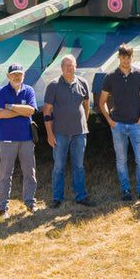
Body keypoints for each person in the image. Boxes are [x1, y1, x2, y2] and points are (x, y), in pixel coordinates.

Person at [97, 43, 140, 203]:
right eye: (123, 57)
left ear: (132, 58)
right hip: (118, 126)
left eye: (128, 57)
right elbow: (102, 102)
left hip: (136, 125)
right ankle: (125, 190)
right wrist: (110, 121)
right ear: (119, 57)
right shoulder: (110, 77)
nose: (126, 60)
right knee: (121, 160)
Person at [42, 53, 92, 206]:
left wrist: (83, 122)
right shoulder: (54, 85)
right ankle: (57, 198)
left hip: (79, 133)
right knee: (59, 167)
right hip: (60, 133)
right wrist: (50, 134)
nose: (70, 69)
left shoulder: (83, 82)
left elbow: (86, 104)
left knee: (79, 166)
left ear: (76, 66)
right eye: (67, 66)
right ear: (61, 68)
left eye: (72, 66)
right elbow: (47, 111)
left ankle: (81, 196)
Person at [0, 63, 38, 215]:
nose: (17, 77)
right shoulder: (0, 92)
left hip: (26, 139)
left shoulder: (29, 90)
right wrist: (21, 111)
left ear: (23, 76)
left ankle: (30, 202)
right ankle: (2, 207)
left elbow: (31, 110)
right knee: (5, 174)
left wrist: (10, 106)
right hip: (7, 139)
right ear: (8, 76)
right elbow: (0, 114)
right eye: (14, 74)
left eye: (19, 74)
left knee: (29, 173)